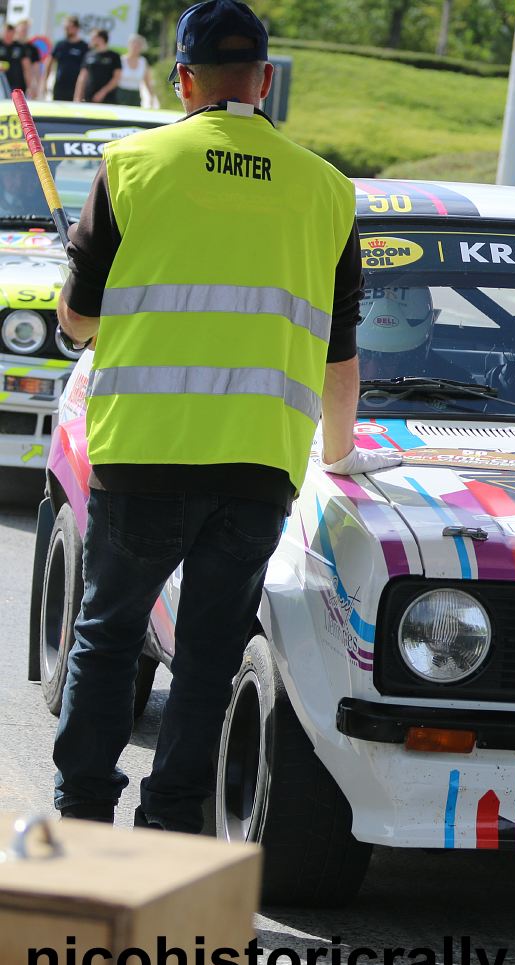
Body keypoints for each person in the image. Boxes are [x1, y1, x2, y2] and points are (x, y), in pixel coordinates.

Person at [52, 0, 400, 834]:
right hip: (257, 469)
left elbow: (78, 323)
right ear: (265, 80)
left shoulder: (132, 166)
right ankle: (171, 822)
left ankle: (83, 816)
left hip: (144, 453)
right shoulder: (326, 190)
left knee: (108, 634)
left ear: (183, 78)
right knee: (209, 655)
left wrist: (87, 284)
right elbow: (339, 358)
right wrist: (340, 455)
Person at [47, 16, 88, 101]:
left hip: (76, 88)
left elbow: (86, 70)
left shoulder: (84, 46)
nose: (66, 30)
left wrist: (82, 90)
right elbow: (49, 63)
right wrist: (44, 82)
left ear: (76, 28)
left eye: (69, 27)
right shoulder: (60, 45)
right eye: (65, 27)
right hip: (59, 87)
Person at [75, 28, 120, 103]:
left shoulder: (114, 56)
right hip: (89, 97)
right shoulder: (88, 55)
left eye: (93, 38)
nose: (91, 40)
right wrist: (77, 97)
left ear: (101, 39)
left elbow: (116, 78)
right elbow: (82, 77)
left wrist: (103, 92)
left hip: (108, 99)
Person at [116, 34, 156, 107]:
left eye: (138, 46)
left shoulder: (143, 62)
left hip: (135, 96)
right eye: (134, 45)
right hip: (120, 94)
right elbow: (115, 79)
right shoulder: (121, 60)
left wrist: (151, 96)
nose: (135, 48)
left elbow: (147, 81)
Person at [0, 23, 33, 95]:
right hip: (1, 85)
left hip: (17, 86)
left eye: (11, 34)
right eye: (7, 33)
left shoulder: (20, 47)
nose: (8, 36)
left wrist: (30, 86)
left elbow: (27, 67)